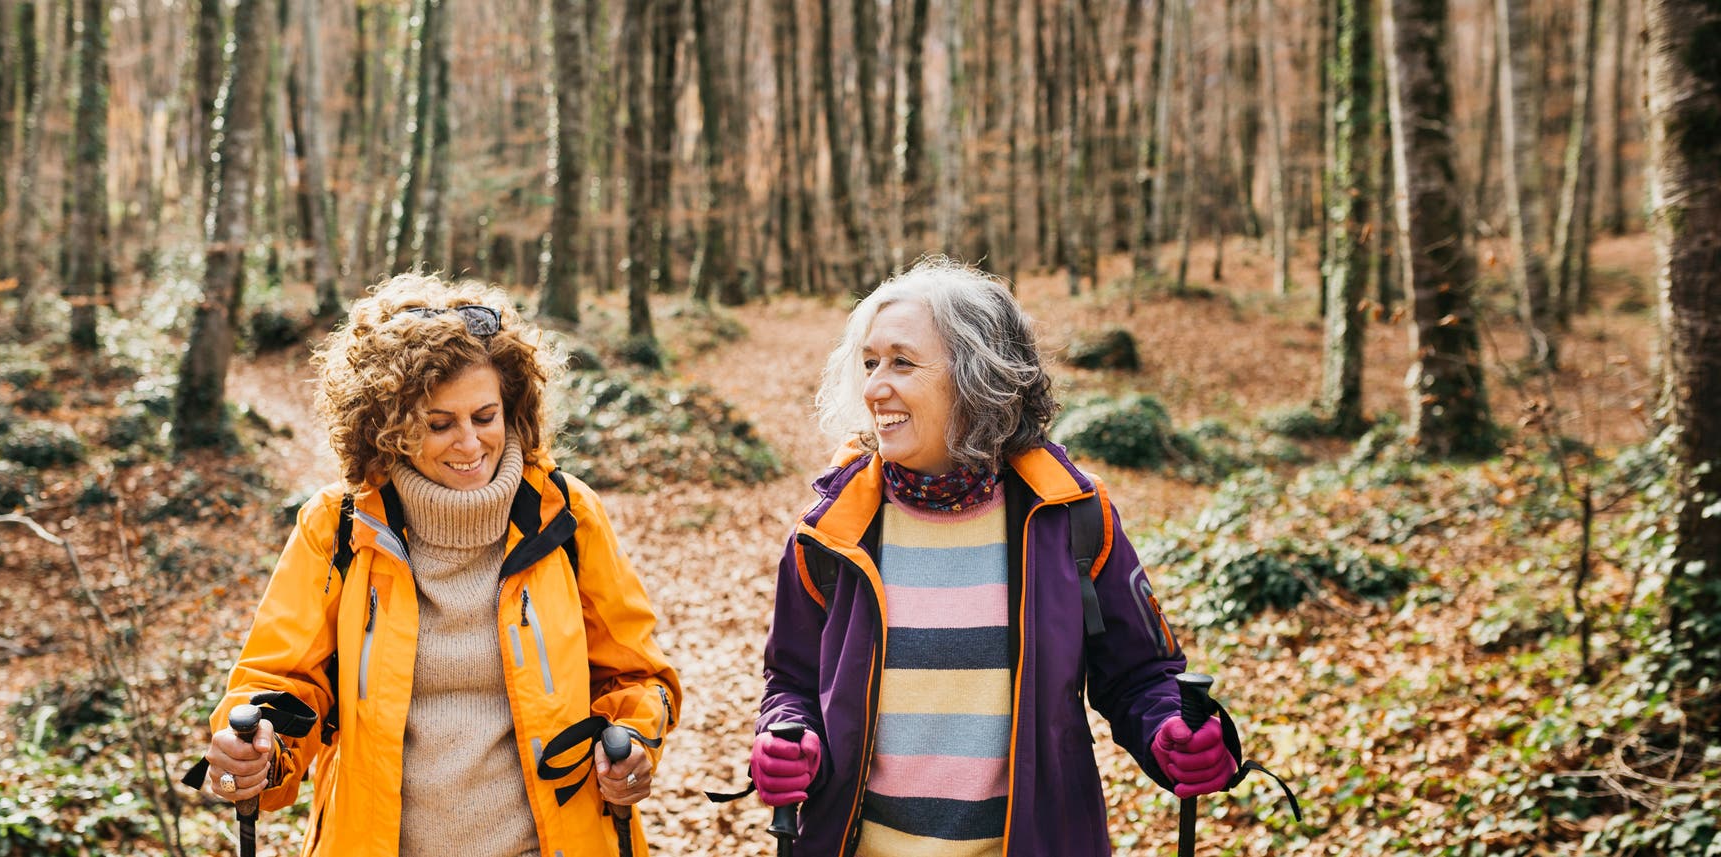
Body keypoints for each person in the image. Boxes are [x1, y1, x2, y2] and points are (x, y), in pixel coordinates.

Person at [751, 258, 1243, 856]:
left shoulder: (1069, 517)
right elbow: (793, 680)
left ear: (977, 375)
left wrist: (1172, 731)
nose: (875, 386)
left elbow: (1140, 674)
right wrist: (790, 738)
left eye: (903, 362)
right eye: (870, 362)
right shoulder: (832, 530)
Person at [186, 273, 682, 856]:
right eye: (439, 424)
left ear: (513, 406)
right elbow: (280, 681)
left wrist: (632, 743)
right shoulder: (337, 527)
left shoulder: (567, 516)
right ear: (388, 428)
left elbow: (639, 676)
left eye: (485, 416)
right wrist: (259, 752)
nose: (470, 444)